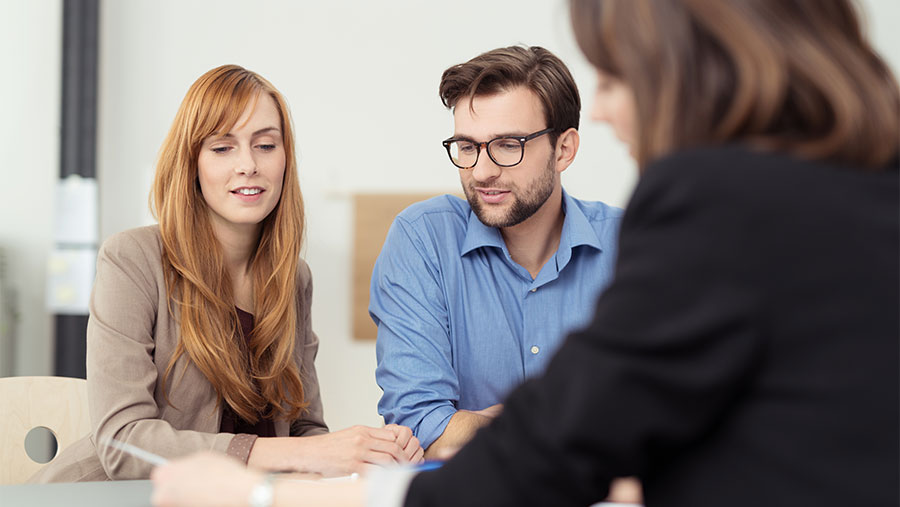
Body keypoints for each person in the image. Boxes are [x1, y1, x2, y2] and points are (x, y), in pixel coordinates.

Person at [151, 0, 899, 505]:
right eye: (467, 146)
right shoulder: (867, 189)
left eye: (617, 75)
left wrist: (263, 494)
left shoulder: (708, 204)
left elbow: (562, 435)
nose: (606, 106)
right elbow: (436, 424)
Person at [31, 65, 422, 482]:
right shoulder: (132, 259)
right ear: (192, 163)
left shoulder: (293, 279)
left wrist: (368, 454)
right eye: (222, 148)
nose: (249, 164)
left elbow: (304, 430)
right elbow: (122, 442)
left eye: (266, 145)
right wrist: (306, 452)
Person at [371, 45, 622, 459]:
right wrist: (575, 424)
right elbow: (420, 428)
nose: (482, 171)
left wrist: (477, 426)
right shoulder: (423, 239)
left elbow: (666, 415)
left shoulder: (627, 247)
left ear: (564, 150)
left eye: (508, 144)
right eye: (467, 146)